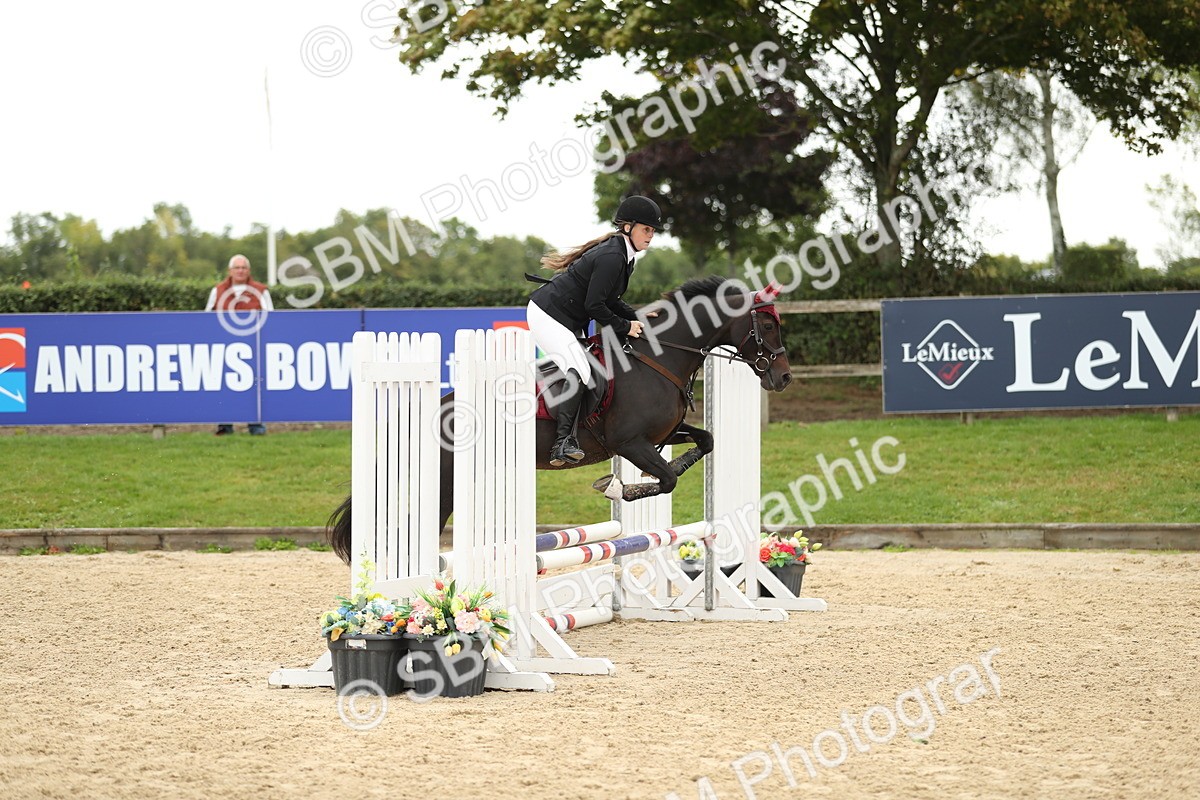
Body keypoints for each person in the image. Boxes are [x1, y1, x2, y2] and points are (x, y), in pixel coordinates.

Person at [526, 195, 663, 465]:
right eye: (646, 229)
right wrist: (626, 325)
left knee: (587, 369)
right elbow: (595, 306)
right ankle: (562, 442)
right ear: (628, 227)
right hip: (547, 316)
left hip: (567, 319)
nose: (651, 236)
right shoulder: (613, 256)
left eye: (653, 231)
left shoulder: (625, 256)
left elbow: (610, 301)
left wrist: (636, 316)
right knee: (581, 369)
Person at [205, 254, 273, 435]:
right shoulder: (218, 291)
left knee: (255, 389)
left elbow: (271, 317)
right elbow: (207, 318)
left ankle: (256, 427)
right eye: (237, 267)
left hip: (253, 348)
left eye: (243, 267)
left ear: (248, 270)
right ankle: (224, 427)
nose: (240, 271)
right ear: (230, 271)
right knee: (223, 387)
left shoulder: (261, 291)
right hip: (224, 348)